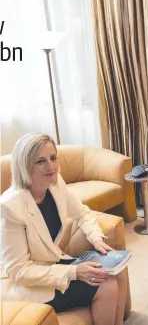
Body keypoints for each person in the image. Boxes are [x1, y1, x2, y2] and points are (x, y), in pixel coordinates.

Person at [1, 133, 127, 325]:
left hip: (51, 263)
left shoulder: (55, 182)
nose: (50, 166)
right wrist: (74, 272)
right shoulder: (10, 207)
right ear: (25, 166)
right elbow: (18, 270)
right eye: (41, 161)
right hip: (28, 282)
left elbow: (82, 212)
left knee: (116, 270)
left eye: (53, 158)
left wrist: (97, 239)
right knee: (106, 285)